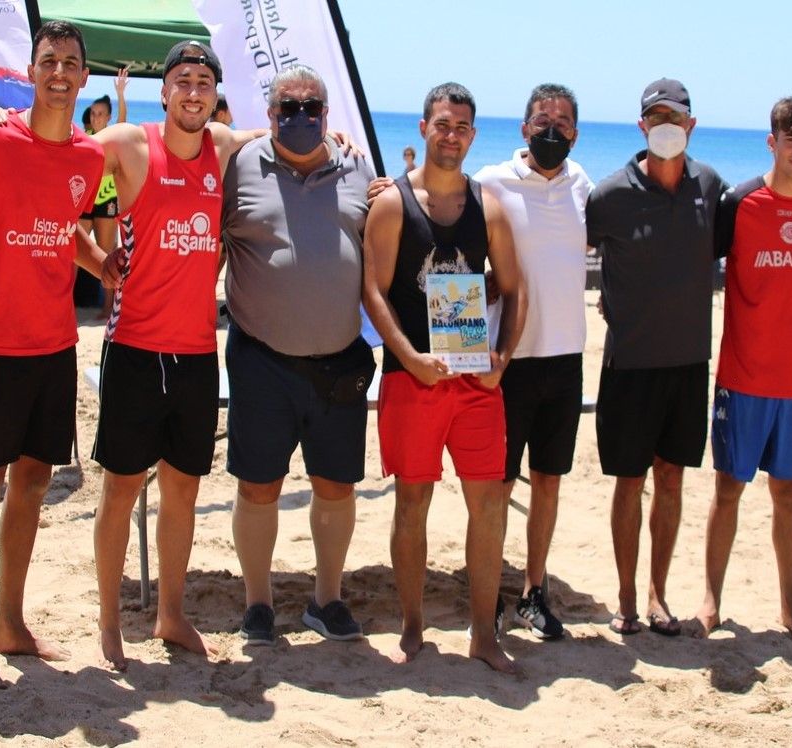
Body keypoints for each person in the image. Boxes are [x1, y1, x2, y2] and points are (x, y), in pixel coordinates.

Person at [0, 20, 107, 689]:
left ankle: (11, 621)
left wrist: (104, 263)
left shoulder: (89, 159)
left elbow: (65, 236)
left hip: (55, 346)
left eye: (70, 62)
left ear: (84, 76)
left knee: (34, 484)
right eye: (48, 61)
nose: (59, 73)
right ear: (29, 72)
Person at [82, 40, 263, 670]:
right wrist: (94, 259)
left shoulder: (221, 148)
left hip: (195, 354)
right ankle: (109, 622)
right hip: (133, 348)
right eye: (182, 80)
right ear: (165, 92)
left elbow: (288, 134)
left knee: (183, 492)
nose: (193, 91)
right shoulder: (128, 145)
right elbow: (55, 175)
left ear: (215, 95)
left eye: (204, 83)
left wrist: (345, 147)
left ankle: (171, 614)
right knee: (121, 490)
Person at [362, 82, 526, 673]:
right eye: (442, 124)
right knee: (413, 501)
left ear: (473, 136)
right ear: (424, 128)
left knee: (488, 505)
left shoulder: (492, 206)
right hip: (414, 380)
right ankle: (412, 626)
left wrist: (501, 361)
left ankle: (484, 635)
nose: (450, 135)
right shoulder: (392, 204)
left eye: (461, 127)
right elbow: (373, 292)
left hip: (475, 382)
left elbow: (515, 288)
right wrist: (407, 357)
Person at [222, 64, 377, 647]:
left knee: (335, 485)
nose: (302, 117)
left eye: (312, 108)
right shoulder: (239, 164)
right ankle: (258, 602)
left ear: (327, 115)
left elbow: (385, 237)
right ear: (270, 115)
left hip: (340, 361)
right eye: (289, 108)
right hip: (261, 357)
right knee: (258, 485)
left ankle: (326, 599)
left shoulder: (358, 168)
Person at [691, 97, 792, 649]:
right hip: (742, 376)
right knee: (727, 490)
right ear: (771, 140)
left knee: (788, 496)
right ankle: (710, 600)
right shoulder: (740, 202)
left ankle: (791, 608)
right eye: (791, 137)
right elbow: (694, 258)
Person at [584, 79, 724, 636]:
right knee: (628, 482)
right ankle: (624, 598)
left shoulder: (710, 186)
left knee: (672, 480)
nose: (666, 124)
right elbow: (554, 240)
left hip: (689, 365)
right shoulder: (609, 195)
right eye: (656, 116)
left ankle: (658, 595)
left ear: (692, 124)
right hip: (629, 366)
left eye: (676, 116)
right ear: (641, 125)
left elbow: (759, 217)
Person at [471, 83, 592, 640]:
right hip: (508, 361)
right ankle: (490, 592)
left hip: (566, 359)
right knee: (497, 484)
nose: (552, 129)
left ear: (575, 132)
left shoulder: (583, 186)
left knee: (549, 481)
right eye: (542, 119)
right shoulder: (491, 182)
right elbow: (444, 223)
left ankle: (533, 591)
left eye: (563, 121)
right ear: (523, 128)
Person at [78, 69, 128, 318]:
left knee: (108, 255)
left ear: (107, 117)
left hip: (107, 201)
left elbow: (123, 123)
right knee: (71, 254)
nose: (97, 118)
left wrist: (120, 94)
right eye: (94, 113)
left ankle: (108, 307)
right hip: (86, 201)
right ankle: (65, 302)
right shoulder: (85, 138)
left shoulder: (114, 137)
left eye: (101, 114)